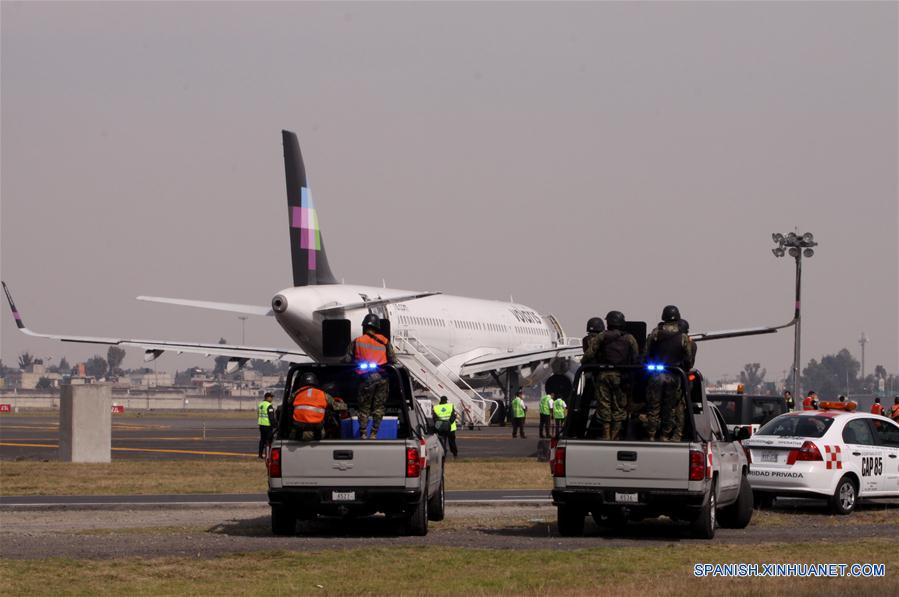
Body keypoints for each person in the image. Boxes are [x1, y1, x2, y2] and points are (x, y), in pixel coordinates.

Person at [584, 310, 640, 440]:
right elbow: (636, 357)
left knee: (604, 406)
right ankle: (616, 436)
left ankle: (606, 435)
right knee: (619, 408)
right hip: (621, 377)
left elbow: (590, 354)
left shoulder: (602, 336)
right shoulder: (630, 338)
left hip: (603, 376)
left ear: (608, 322)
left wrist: (584, 365)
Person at [640, 305, 693, 442]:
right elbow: (688, 360)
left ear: (663, 317)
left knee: (653, 408)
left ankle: (651, 435)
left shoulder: (655, 333)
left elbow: (645, 354)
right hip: (674, 375)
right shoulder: (683, 337)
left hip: (656, 375)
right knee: (669, 408)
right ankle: (665, 436)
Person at [344, 313, 396, 439]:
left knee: (364, 407)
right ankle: (374, 433)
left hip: (366, 378)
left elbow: (347, 359)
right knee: (378, 407)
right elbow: (393, 359)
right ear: (378, 327)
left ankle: (363, 432)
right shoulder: (384, 341)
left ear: (364, 326)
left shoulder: (358, 341)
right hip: (382, 378)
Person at [291, 372, 347, 441]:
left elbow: (287, 405)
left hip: (297, 434)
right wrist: (345, 405)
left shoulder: (296, 394)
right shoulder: (323, 394)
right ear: (315, 382)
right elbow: (339, 407)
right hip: (316, 434)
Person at [257, 392, 275, 459]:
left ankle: (260, 455)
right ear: (267, 397)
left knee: (262, 440)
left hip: (261, 425)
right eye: (271, 397)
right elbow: (271, 417)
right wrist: (274, 425)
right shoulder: (269, 405)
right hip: (268, 425)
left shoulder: (260, 404)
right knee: (268, 441)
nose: (272, 398)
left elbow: (258, 414)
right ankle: (268, 456)